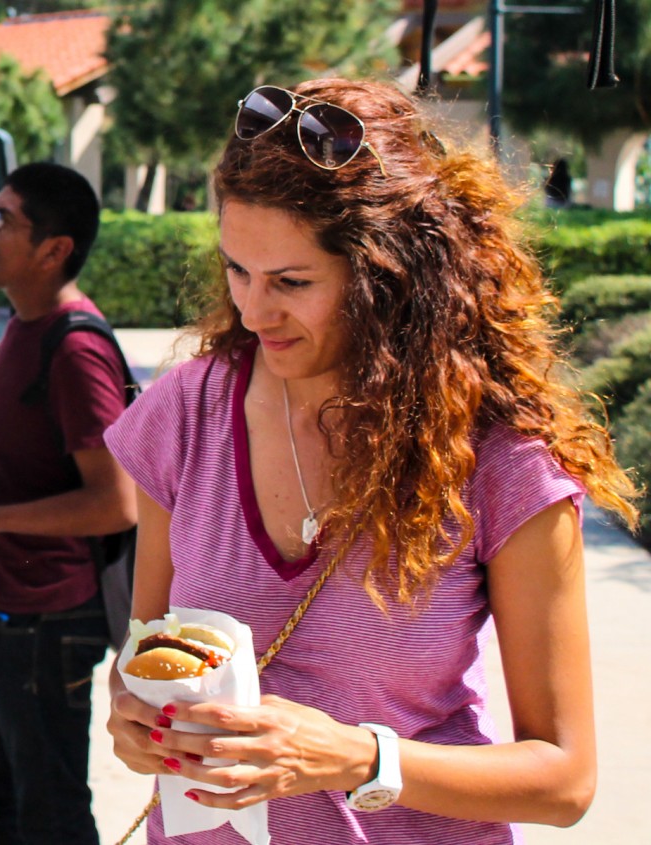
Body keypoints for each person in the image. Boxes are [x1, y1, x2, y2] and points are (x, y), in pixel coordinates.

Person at [103, 78, 639, 844]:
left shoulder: (500, 457)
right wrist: (135, 720)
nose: (254, 312)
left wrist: (357, 756)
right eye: (236, 270)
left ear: (391, 276)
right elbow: (148, 657)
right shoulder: (184, 414)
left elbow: (565, 777)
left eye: (292, 282)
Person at [0, 162, 136, 845]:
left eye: (4, 220)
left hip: (49, 621)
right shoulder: (24, 325)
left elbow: (115, 503)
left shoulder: (74, 349)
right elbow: (23, 452)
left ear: (54, 250)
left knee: (49, 810)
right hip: (5, 609)